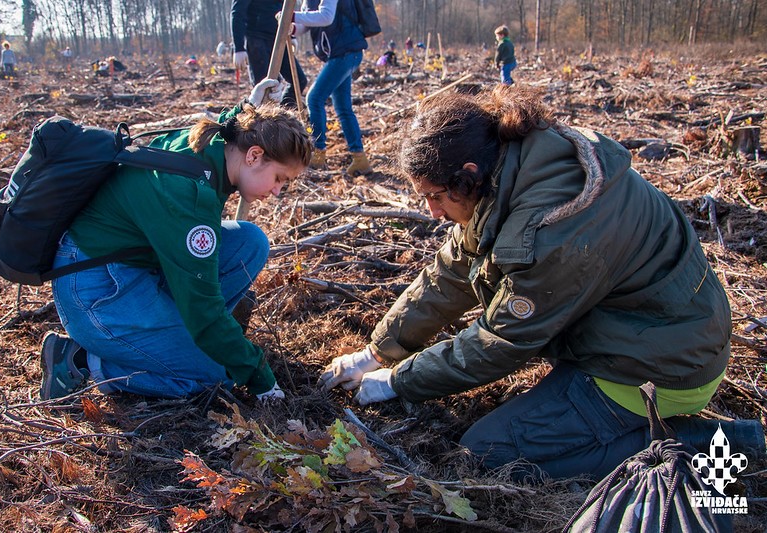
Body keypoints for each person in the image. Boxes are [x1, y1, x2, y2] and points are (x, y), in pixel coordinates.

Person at [319, 85, 765, 480]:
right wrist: (377, 352)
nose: (433, 212)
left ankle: (705, 444)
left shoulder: (551, 230)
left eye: (435, 197)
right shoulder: (512, 163)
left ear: (467, 173)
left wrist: (398, 381)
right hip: (641, 330)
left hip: (658, 365)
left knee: (492, 452)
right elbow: (451, 272)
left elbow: (502, 341)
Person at [39, 79, 313, 403]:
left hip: (131, 266)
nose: (279, 190)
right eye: (280, 178)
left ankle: (177, 341)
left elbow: (234, 122)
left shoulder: (217, 140)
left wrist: (247, 106)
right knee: (214, 376)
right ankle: (80, 360)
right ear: (254, 155)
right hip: (96, 289)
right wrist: (258, 376)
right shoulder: (189, 198)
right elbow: (205, 312)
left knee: (250, 242)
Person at [290, 0, 373, 176]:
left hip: (347, 53)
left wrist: (291, 15)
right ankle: (360, 159)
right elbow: (308, 23)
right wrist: (293, 28)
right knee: (343, 107)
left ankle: (318, 153)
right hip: (339, 53)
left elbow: (326, 16)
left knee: (314, 98)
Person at [231, 0, 308, 109]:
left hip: (278, 38)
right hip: (256, 39)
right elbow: (238, 13)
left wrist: (291, 36)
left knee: (299, 81)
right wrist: (238, 48)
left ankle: (282, 116)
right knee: (264, 89)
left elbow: (283, 8)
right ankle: (261, 122)